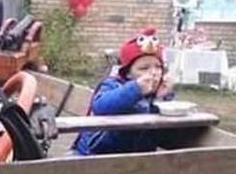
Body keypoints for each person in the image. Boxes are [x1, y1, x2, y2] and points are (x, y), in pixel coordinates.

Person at [73, 30, 176, 158]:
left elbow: (161, 127)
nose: (154, 72)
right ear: (127, 73)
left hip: (135, 157)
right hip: (95, 153)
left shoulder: (158, 92)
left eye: (158, 67)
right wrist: (135, 89)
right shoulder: (113, 85)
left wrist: (161, 98)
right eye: (144, 68)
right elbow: (100, 107)